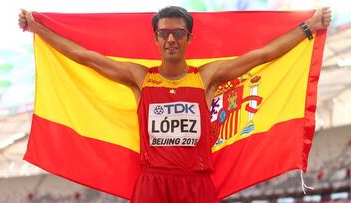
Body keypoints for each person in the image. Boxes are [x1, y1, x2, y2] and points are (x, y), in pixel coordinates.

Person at [19, 6, 331, 203]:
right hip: (152, 183)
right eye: (164, 33)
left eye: (178, 33)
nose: (171, 39)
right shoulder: (140, 78)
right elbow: (86, 57)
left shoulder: (206, 77)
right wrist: (38, 29)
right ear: (155, 38)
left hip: (196, 185)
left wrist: (309, 27)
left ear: (188, 38)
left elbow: (262, 56)